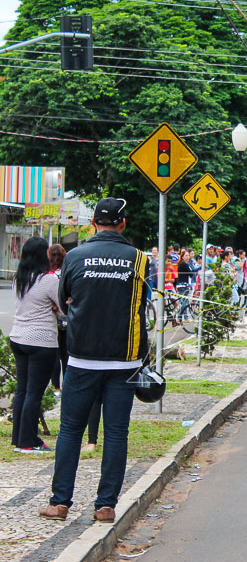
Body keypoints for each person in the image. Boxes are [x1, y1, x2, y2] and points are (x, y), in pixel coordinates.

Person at [40, 197, 151, 523]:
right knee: (116, 433)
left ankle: (60, 503)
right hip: (124, 360)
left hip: (82, 358)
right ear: (123, 223)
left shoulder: (74, 256)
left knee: (70, 431)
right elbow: (142, 305)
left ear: (93, 224)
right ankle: (105, 506)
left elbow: (62, 301)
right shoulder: (140, 260)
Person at [9, 237, 62, 453]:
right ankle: (28, 442)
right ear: (43, 255)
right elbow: (64, 308)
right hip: (41, 341)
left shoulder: (18, 279)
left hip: (18, 338)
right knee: (34, 392)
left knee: (22, 390)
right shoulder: (48, 280)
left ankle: (18, 438)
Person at [48, 244, 68, 397]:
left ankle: (56, 388)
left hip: (52, 318)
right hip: (68, 315)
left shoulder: (47, 273)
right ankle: (67, 384)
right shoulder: (69, 270)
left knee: (55, 354)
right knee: (66, 354)